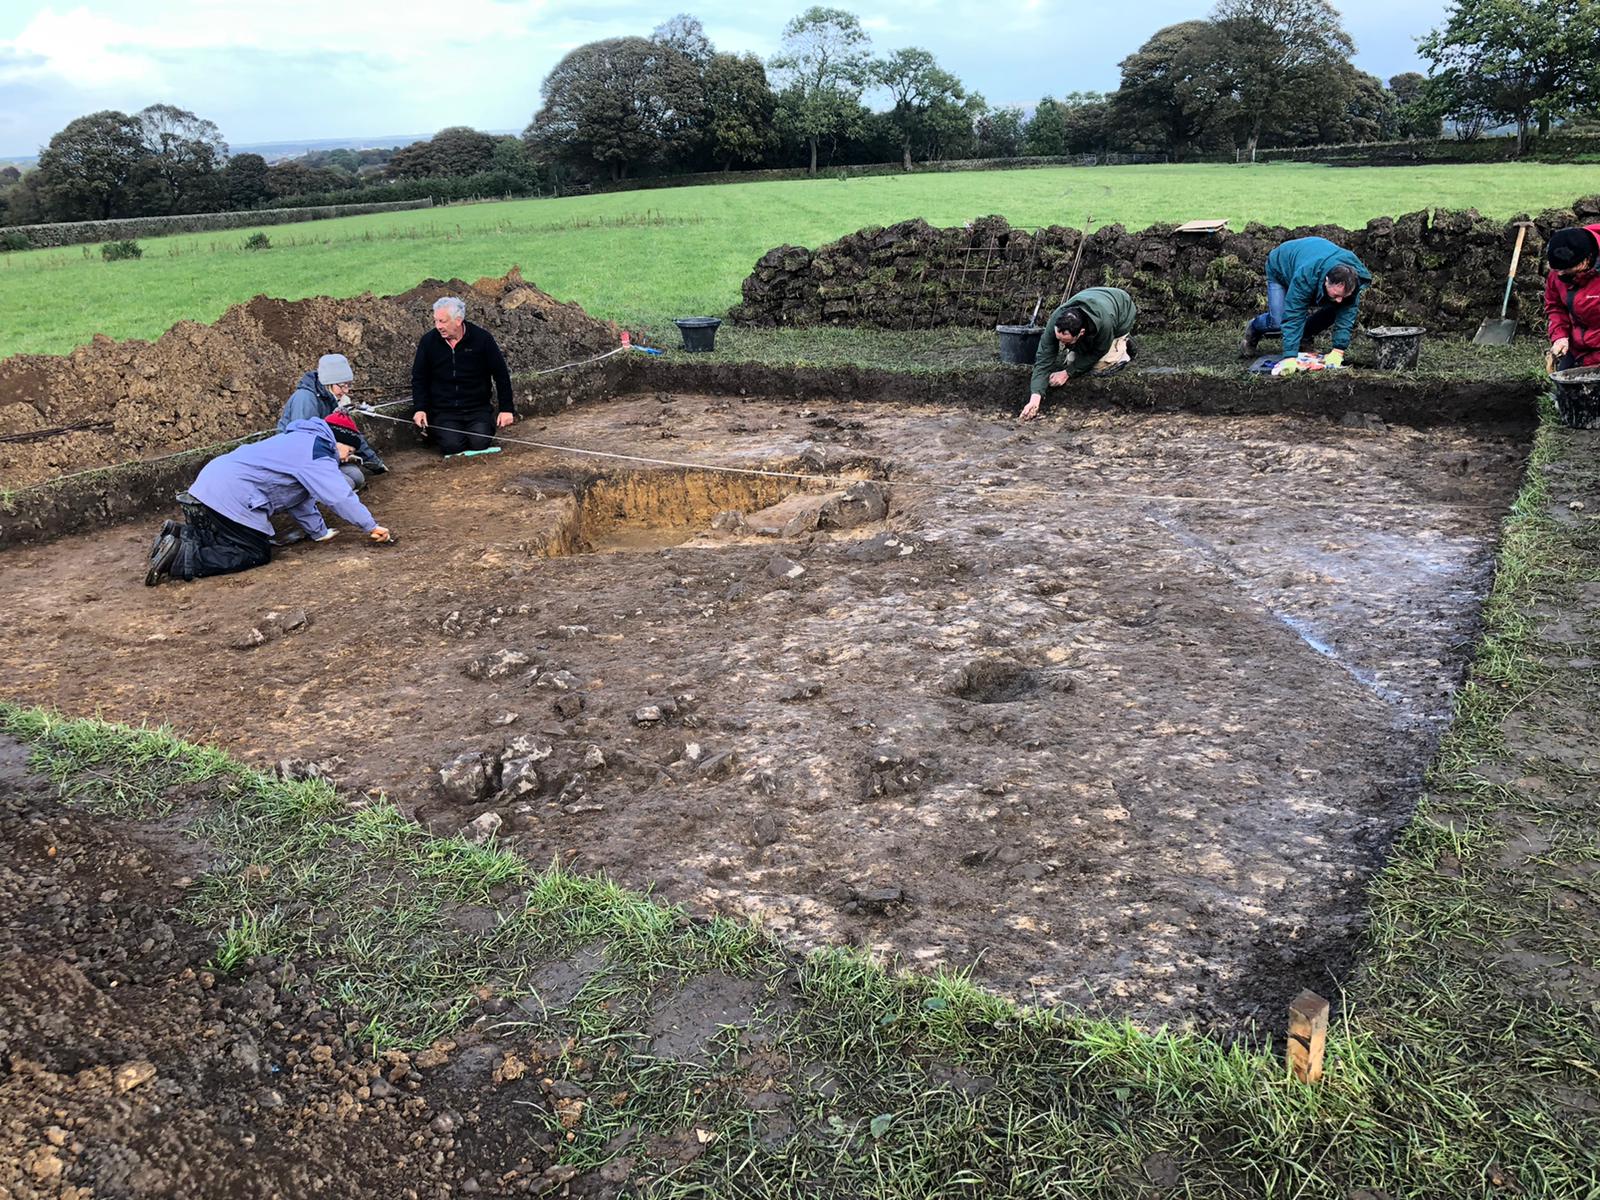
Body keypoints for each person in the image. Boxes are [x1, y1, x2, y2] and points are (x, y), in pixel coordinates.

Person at [144, 419, 391, 586]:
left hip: (212, 484)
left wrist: (320, 533)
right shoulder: (318, 453)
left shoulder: (300, 441)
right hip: (232, 493)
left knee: (233, 537)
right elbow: (338, 496)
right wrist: (371, 526)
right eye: (349, 450)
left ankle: (180, 535)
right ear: (339, 440)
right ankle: (180, 557)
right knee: (254, 552)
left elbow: (299, 499)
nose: (348, 457)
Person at [1238, 237, 1372, 373]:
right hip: (1281, 266)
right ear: (1326, 281)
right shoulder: (1306, 276)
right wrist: (1290, 356)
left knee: (1336, 308)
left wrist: (1338, 351)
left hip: (1311, 258)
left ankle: (1304, 337)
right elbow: (1294, 313)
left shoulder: (1354, 280)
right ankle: (1254, 327)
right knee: (1278, 321)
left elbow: (1347, 315)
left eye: (1344, 296)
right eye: (1336, 295)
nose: (1339, 300)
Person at [410, 297, 516, 454]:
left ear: (458, 320)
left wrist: (506, 409)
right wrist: (420, 408)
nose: (438, 326)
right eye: (436, 321)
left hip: (477, 408)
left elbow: (500, 374)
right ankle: (439, 434)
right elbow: (419, 378)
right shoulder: (428, 342)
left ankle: (481, 428)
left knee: (479, 442)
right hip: (444, 411)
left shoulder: (482, 339)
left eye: (443, 321)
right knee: (452, 446)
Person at [1019, 286, 1137, 422]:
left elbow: (1098, 352)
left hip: (1121, 309)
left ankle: (1123, 347)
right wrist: (1035, 398)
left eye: (1065, 341)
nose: (1062, 345)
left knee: (1099, 366)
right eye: (1060, 340)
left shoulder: (1105, 324)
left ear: (1080, 333)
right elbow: (1044, 357)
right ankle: (1082, 345)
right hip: (1094, 299)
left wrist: (1067, 373)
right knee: (1071, 360)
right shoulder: (1056, 320)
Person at [277, 352, 387, 489]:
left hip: (324, 455)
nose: (345, 391)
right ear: (329, 383)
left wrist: (375, 463)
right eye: (342, 386)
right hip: (299, 463)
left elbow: (349, 434)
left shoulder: (331, 398)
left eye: (348, 385)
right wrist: (335, 453)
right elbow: (303, 444)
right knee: (346, 484)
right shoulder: (305, 399)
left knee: (356, 476)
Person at [1544, 224, 1600, 370]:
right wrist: (1560, 336)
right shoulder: (1559, 270)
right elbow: (1556, 306)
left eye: (1567, 270)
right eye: (1557, 270)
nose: (1560, 275)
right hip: (1578, 350)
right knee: (1565, 388)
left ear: (1587, 260)